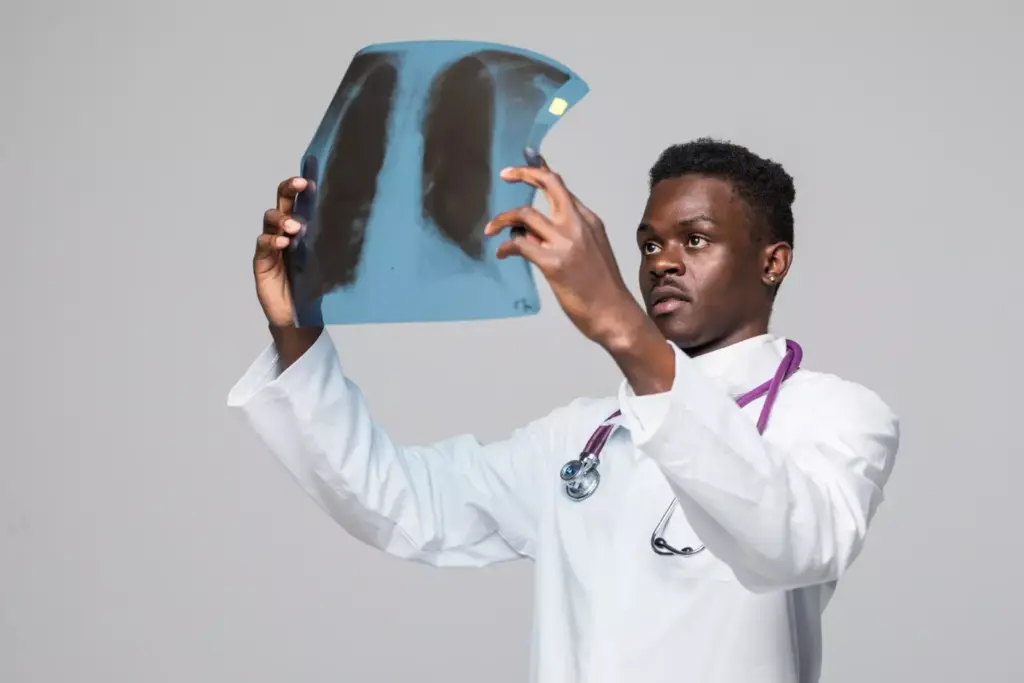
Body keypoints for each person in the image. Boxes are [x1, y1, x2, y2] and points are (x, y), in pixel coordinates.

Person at [227, 138, 900, 683]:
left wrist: (622, 327)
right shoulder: (580, 439)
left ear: (773, 262)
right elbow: (403, 505)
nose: (663, 261)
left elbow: (796, 545)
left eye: (694, 240)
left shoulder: (835, 414)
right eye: (649, 244)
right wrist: (298, 332)